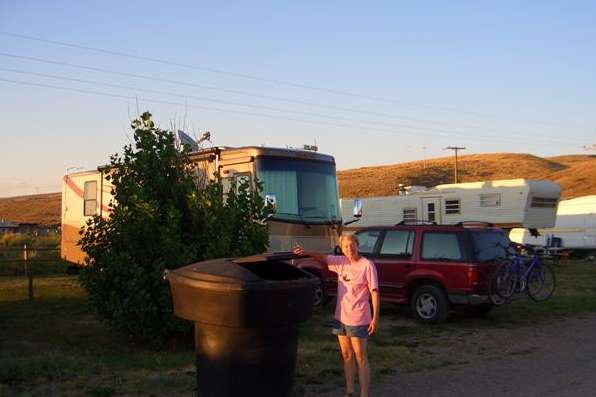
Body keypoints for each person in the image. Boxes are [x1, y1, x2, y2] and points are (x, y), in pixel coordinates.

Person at [293, 233, 379, 397]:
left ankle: (364, 393)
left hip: (359, 318)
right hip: (341, 318)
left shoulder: (367, 265)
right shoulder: (340, 262)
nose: (349, 249)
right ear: (342, 248)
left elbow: (374, 293)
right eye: (346, 246)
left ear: (357, 244)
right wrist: (305, 252)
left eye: (352, 245)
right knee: (346, 355)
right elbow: (322, 258)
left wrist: (375, 318)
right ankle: (350, 391)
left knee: (360, 357)